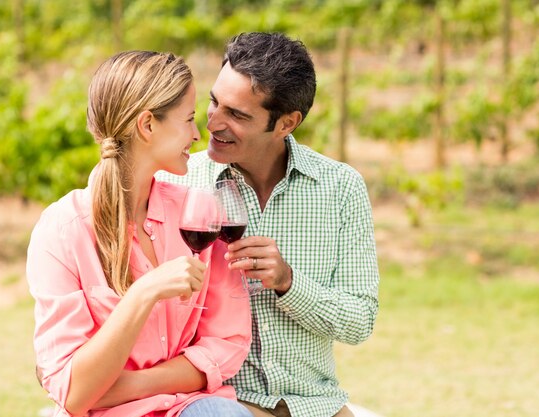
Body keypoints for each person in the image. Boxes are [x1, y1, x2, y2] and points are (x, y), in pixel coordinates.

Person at [157, 32, 380, 417]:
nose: (214, 122)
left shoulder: (340, 188)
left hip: (317, 406)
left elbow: (359, 321)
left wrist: (288, 282)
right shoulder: (177, 181)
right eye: (214, 102)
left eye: (238, 115)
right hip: (222, 404)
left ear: (286, 123)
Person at [26, 50, 253, 417]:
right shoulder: (62, 232)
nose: (197, 135)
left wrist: (131, 385)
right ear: (147, 125)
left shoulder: (200, 217)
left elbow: (226, 344)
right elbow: (74, 392)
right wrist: (144, 293)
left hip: (188, 407)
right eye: (187, 119)